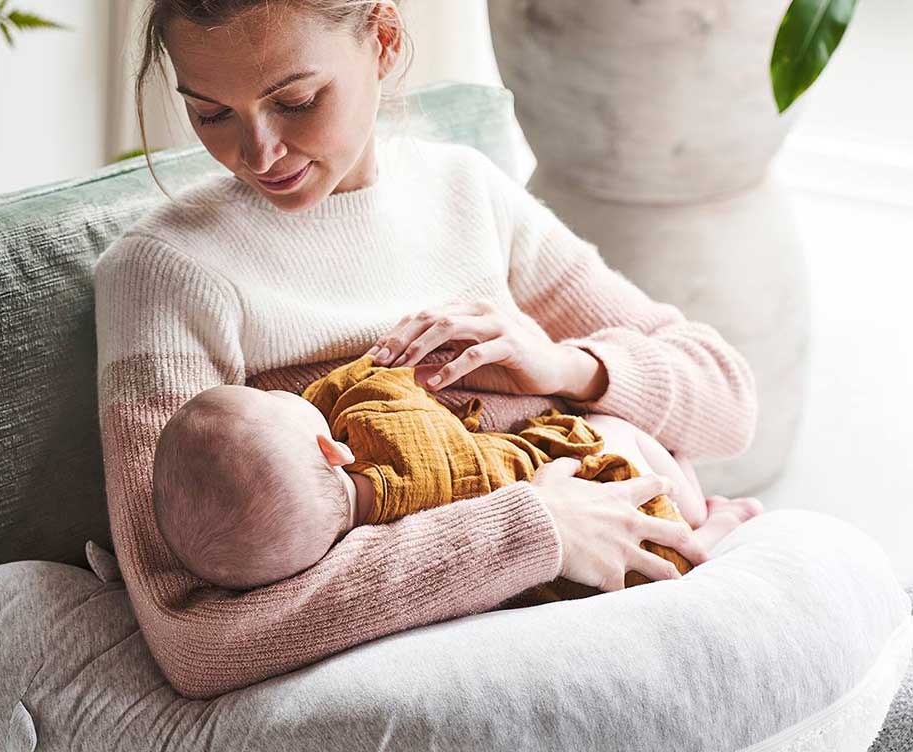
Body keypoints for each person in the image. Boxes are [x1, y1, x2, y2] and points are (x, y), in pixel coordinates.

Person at [94, 0, 760, 701]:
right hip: (482, 652)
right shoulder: (166, 273)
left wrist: (568, 366)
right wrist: (529, 530)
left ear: (382, 39)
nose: (258, 152)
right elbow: (197, 637)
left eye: (295, 100)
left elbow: (728, 400)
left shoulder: (466, 193)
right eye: (212, 114)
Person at [151, 352, 762, 595]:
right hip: (594, 490)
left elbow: (729, 401)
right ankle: (705, 523)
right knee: (620, 438)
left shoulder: (359, 545)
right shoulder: (375, 426)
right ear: (330, 449)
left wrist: (562, 360)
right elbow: (382, 374)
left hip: (549, 586)